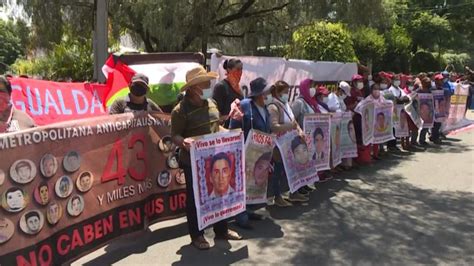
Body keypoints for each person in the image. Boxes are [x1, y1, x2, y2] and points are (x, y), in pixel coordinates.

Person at [171, 66, 241, 250]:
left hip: (215, 158)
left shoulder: (211, 103)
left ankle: (221, 230)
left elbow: (216, 128)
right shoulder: (180, 110)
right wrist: (183, 142)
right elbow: (174, 136)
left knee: (220, 193)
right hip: (192, 162)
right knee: (195, 200)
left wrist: (232, 135)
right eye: (206, 83)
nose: (210, 85)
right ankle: (197, 235)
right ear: (194, 87)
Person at [229, 77, 272, 229]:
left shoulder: (266, 109)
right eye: (267, 91)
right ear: (260, 93)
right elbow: (233, 127)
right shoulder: (244, 106)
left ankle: (248, 210)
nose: (269, 94)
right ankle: (240, 217)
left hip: (260, 154)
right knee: (241, 184)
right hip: (243, 153)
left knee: (251, 183)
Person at [267, 80, 308, 205]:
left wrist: (300, 131)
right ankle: (277, 197)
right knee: (278, 171)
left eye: (288, 92)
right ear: (278, 93)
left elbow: (294, 121)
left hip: (290, 144)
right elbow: (274, 127)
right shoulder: (273, 107)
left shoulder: (286, 105)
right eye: (285, 92)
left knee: (292, 169)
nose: (287, 94)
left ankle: (293, 193)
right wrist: (290, 126)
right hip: (278, 145)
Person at [290, 78, 318, 191]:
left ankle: (305, 184)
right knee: (299, 163)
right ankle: (299, 187)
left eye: (313, 86)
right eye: (310, 86)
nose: (312, 89)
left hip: (309, 136)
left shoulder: (310, 102)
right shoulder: (299, 103)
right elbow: (292, 119)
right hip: (300, 138)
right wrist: (298, 131)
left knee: (306, 163)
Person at [212, 58, 244, 128]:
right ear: (229, 70)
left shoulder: (239, 88)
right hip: (226, 131)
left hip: (239, 130)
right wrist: (231, 116)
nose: (240, 72)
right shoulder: (221, 87)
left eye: (241, 69)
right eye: (238, 69)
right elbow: (216, 114)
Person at [416, 77, 432, 146]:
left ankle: (422, 140)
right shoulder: (419, 90)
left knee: (426, 126)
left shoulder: (429, 91)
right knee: (418, 126)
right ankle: (416, 141)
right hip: (419, 110)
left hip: (427, 110)